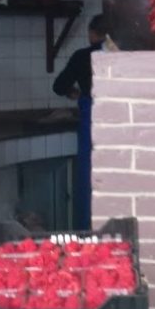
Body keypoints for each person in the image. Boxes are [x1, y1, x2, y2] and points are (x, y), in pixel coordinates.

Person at [53, 15, 106, 229]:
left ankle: (88, 236)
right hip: (121, 123)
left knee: (89, 181)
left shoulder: (82, 56)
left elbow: (59, 86)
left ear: (92, 33)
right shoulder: (123, 56)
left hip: (91, 120)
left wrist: (78, 93)